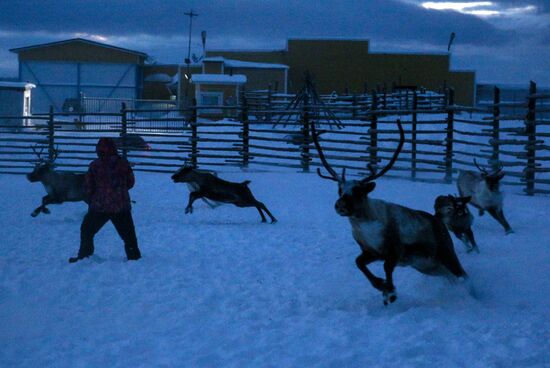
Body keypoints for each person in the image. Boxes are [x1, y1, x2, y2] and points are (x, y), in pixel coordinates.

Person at [69, 137, 141, 263]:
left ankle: (85, 255)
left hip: (100, 206)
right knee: (128, 235)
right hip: (121, 206)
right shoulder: (123, 163)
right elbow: (131, 182)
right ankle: (134, 257)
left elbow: (88, 186)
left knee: (87, 230)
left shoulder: (95, 165)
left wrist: (93, 196)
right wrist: (119, 191)